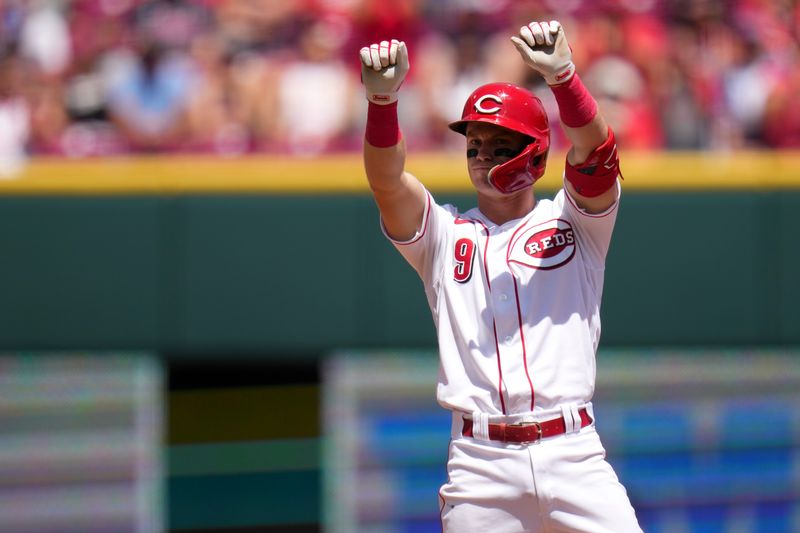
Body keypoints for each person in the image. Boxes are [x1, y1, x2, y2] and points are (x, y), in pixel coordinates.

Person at [359, 19, 643, 533]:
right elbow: (386, 182)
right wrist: (382, 106)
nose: (483, 154)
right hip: (480, 462)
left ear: (534, 150)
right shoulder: (443, 236)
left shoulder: (574, 220)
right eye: (475, 145)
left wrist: (565, 81)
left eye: (499, 143)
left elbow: (598, 155)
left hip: (573, 451)